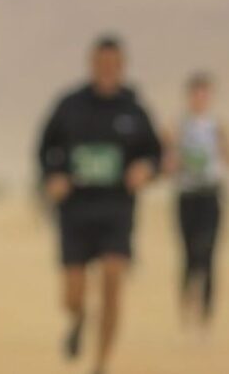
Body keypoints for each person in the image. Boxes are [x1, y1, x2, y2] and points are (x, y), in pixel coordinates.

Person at [38, 35, 163, 374]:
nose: (108, 71)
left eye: (114, 65)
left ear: (123, 67)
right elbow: (44, 147)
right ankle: (78, 319)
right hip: (75, 211)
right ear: (91, 65)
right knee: (72, 296)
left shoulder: (134, 110)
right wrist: (53, 176)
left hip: (116, 210)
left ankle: (101, 363)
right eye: (101, 65)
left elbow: (155, 153)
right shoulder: (69, 105)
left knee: (112, 278)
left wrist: (147, 169)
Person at [164, 71, 229, 329]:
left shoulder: (218, 126)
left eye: (204, 94)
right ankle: (185, 304)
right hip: (187, 195)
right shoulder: (178, 126)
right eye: (196, 94)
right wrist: (172, 157)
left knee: (208, 252)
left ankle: (206, 312)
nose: (200, 99)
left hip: (210, 194)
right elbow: (168, 161)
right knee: (188, 252)